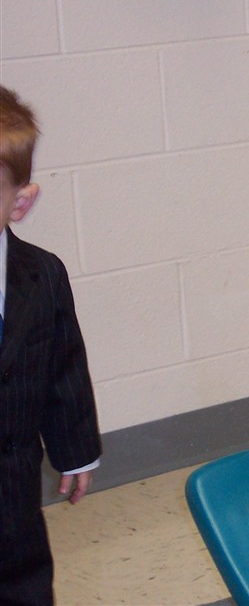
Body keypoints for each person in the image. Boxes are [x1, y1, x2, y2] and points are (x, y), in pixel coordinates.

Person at [0, 85, 102, 606]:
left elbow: (63, 368)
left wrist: (75, 450)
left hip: (13, 493)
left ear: (19, 202)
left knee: (24, 585)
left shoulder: (42, 275)